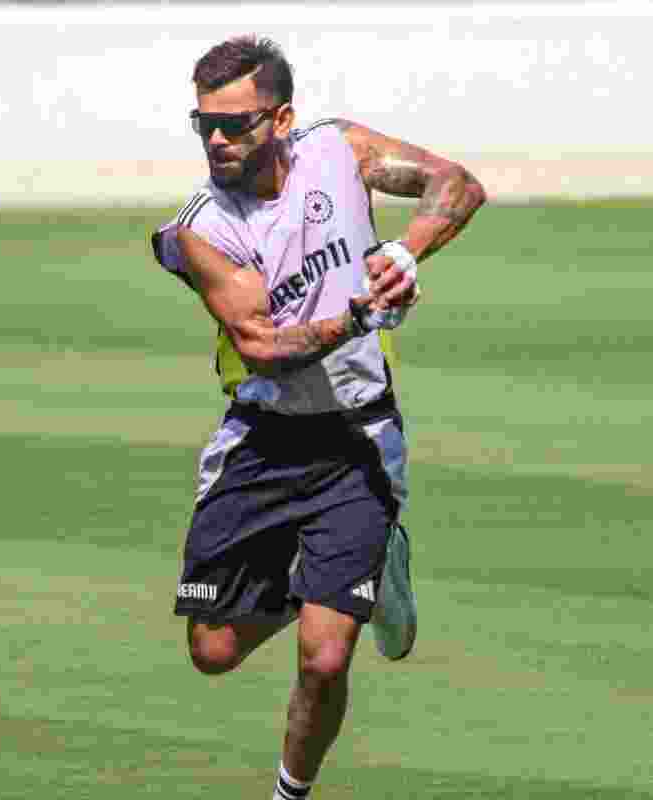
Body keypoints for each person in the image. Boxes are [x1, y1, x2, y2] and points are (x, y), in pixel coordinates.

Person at [148, 36, 485, 800]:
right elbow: (263, 348)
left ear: (284, 118)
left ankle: (289, 791)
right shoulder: (203, 228)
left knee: (324, 656)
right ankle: (354, 580)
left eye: (235, 124)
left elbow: (456, 186)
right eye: (205, 126)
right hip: (261, 441)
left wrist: (405, 252)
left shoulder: (339, 150)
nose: (219, 141)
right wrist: (360, 312)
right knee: (213, 648)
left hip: (356, 438)